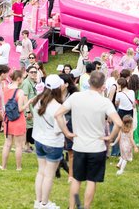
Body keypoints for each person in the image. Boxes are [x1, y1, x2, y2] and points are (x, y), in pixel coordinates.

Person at [55, 71, 123, 209]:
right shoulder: (104, 102)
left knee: (76, 180)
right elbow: (119, 123)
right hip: (97, 148)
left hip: (79, 146)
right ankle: (85, 207)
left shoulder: (76, 97)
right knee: (92, 180)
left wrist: (67, 132)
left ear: (89, 82)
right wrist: (110, 137)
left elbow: (58, 114)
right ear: (103, 86)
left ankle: (72, 206)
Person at [31, 74, 65, 209]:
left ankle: (38, 202)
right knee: (49, 175)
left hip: (38, 139)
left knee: (41, 172)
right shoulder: (57, 106)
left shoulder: (38, 100)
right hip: (52, 142)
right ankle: (45, 203)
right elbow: (58, 129)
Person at [1, 70, 28, 171]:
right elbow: (20, 109)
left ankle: (3, 166)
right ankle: (18, 167)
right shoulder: (20, 92)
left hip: (7, 119)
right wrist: (28, 103)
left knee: (7, 144)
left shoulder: (5, 88)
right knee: (18, 146)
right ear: (18, 79)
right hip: (18, 120)